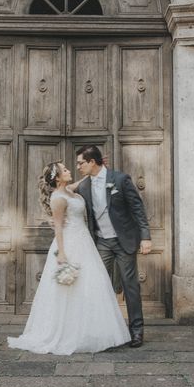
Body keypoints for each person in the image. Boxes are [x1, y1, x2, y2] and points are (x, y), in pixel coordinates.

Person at [7, 161, 131, 355]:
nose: (68, 170)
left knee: (91, 285)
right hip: (69, 244)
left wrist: (96, 169)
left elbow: (80, 182)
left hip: (84, 242)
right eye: (64, 170)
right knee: (69, 289)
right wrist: (62, 253)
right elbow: (58, 227)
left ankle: (91, 332)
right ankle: (68, 334)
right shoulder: (58, 198)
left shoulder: (70, 191)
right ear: (57, 177)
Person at [75, 145, 151, 348]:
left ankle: (136, 331)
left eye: (81, 162)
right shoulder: (83, 187)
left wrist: (145, 237)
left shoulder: (120, 179)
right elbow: (62, 191)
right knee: (99, 286)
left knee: (130, 285)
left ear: (92, 162)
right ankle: (104, 330)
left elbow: (138, 208)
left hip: (123, 240)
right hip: (101, 242)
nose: (78, 167)